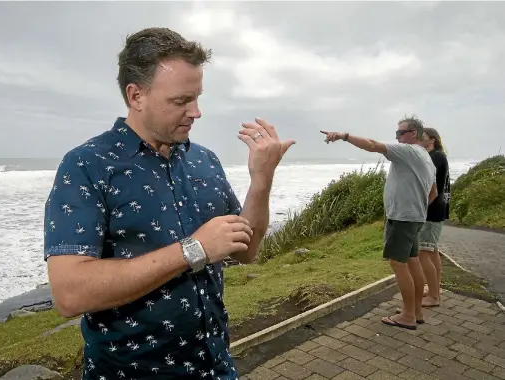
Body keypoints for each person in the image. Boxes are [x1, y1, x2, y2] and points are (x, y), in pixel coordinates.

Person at [43, 27, 295, 380]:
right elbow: (69, 293)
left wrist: (261, 181)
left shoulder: (204, 160)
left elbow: (245, 251)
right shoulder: (87, 165)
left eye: (197, 97)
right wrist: (194, 250)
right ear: (136, 95)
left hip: (216, 367)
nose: (196, 112)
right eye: (181, 101)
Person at [321, 117, 437, 330]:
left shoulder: (409, 151)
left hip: (402, 218)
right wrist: (417, 207)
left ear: (414, 134)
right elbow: (433, 192)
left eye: (400, 133)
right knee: (412, 263)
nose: (397, 137)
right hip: (414, 217)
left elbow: (373, 145)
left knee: (398, 264)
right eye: (396, 133)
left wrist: (343, 136)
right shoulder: (426, 158)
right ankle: (416, 311)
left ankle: (408, 316)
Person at [418, 127, 450, 307]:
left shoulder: (435, 157)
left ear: (432, 140)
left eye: (422, 137)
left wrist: (421, 207)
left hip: (431, 211)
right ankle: (433, 289)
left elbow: (432, 187)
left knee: (423, 252)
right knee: (433, 252)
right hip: (436, 210)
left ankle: (434, 297)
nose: (419, 140)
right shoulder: (437, 156)